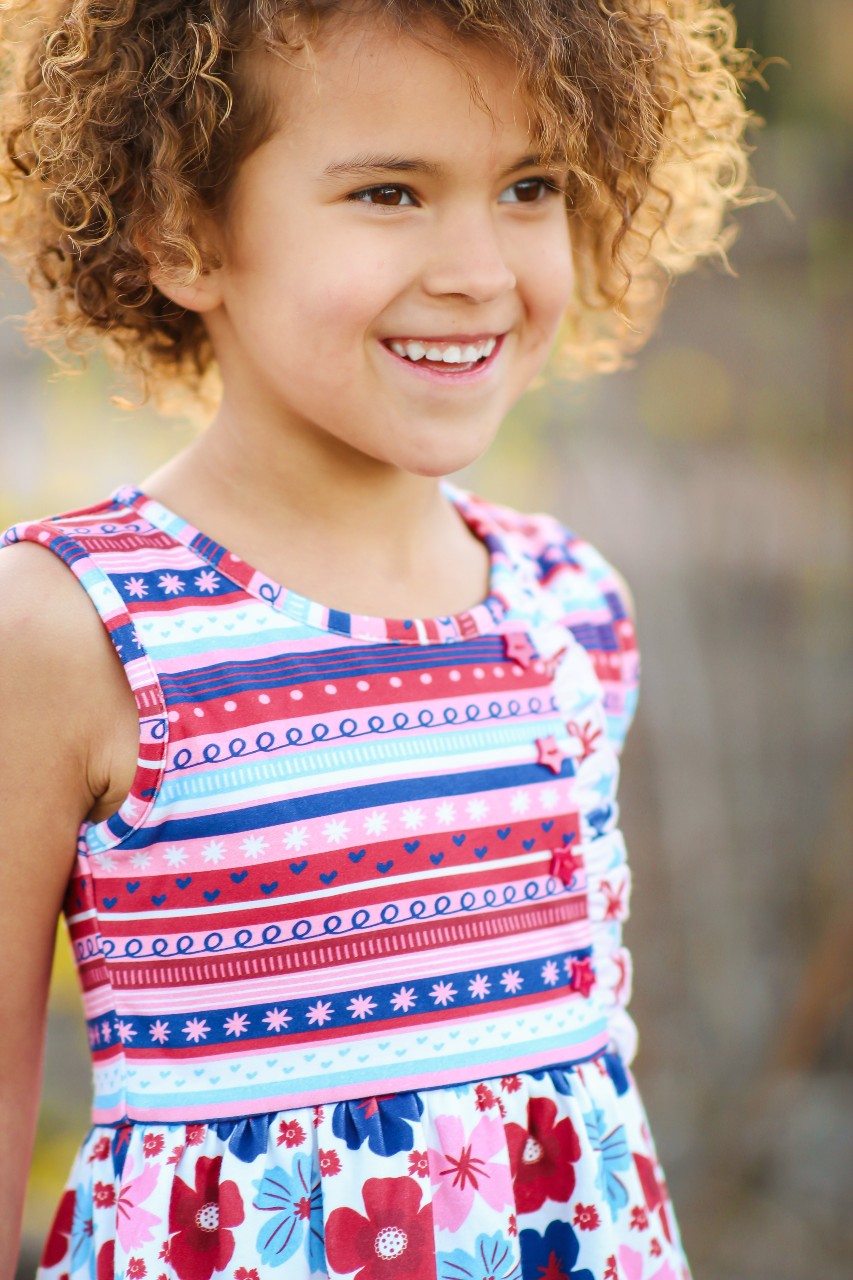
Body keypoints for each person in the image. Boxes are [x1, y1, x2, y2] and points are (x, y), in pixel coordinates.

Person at [0, 1, 754, 1276]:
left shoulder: (570, 608)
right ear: (184, 231)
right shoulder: (68, 629)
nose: (478, 266)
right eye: (391, 192)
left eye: (530, 184)